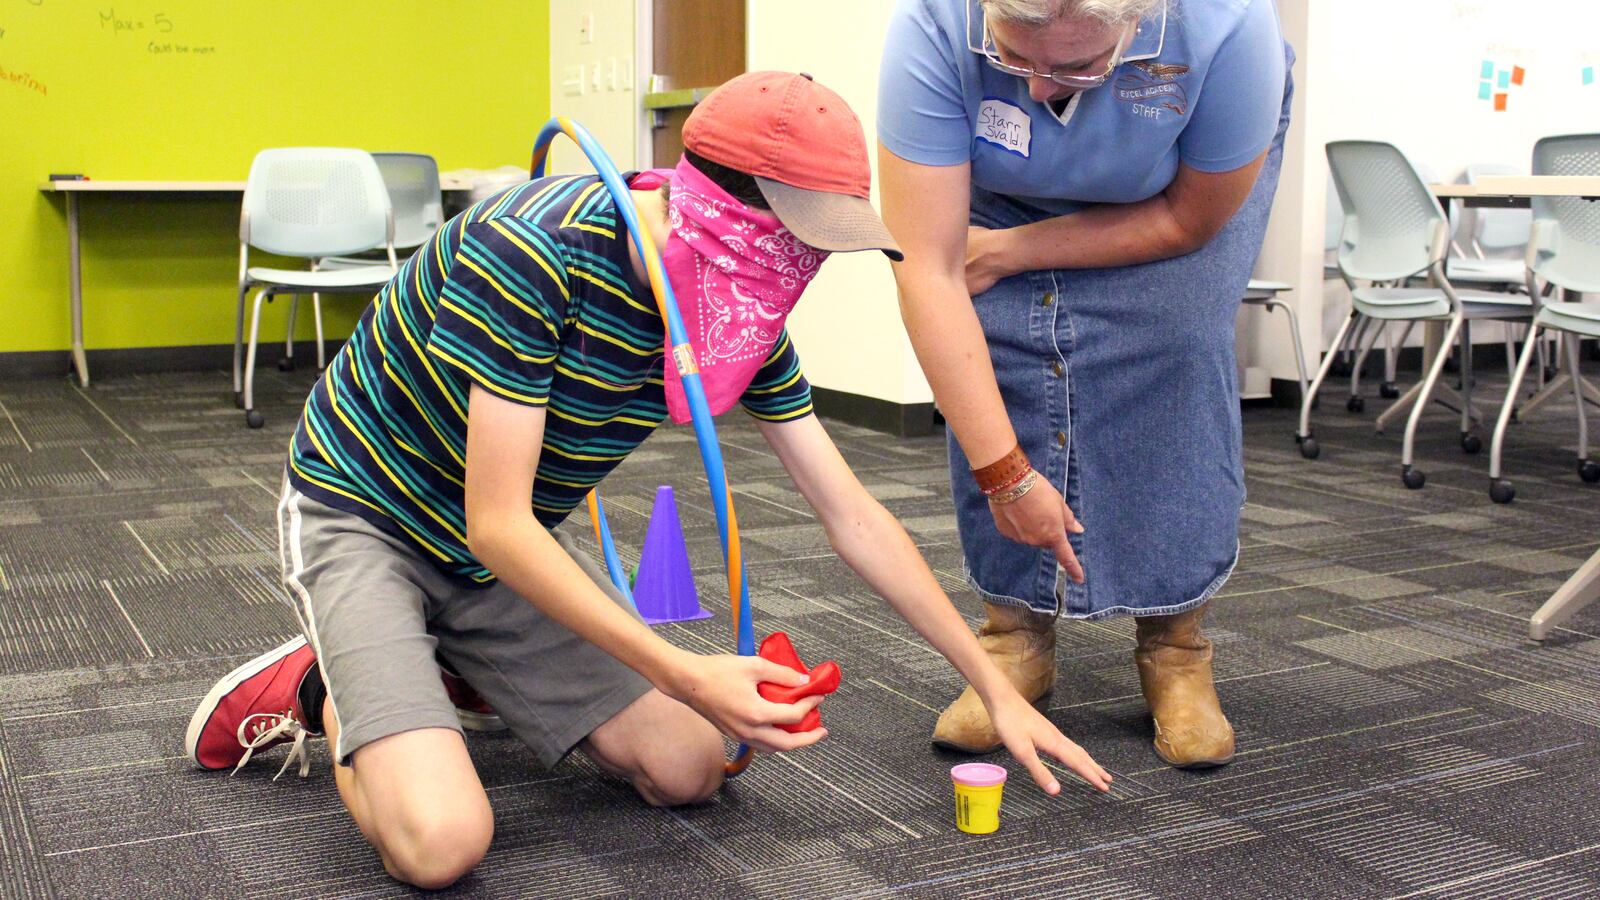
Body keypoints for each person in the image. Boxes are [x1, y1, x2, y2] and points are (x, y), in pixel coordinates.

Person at [184, 71, 1111, 890]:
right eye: (796, 239)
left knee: (690, 769)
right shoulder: (529, 256)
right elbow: (495, 524)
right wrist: (684, 669)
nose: (805, 268)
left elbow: (853, 514)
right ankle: (329, 686)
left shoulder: (742, 322)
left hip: (505, 547)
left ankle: (444, 664)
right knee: (441, 846)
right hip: (371, 517)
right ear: (713, 206)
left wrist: (990, 686)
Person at [877, 0, 1293, 768]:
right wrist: (1006, 476)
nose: (1039, 91)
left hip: (1172, 191)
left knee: (1173, 352)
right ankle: (1014, 638)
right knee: (997, 352)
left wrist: (1011, 251)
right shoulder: (935, 21)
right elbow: (928, 271)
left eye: (1075, 67)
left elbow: (1185, 222)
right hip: (998, 184)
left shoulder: (1227, 25)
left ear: (1139, 19)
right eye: (1013, 59)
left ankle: (1175, 646)